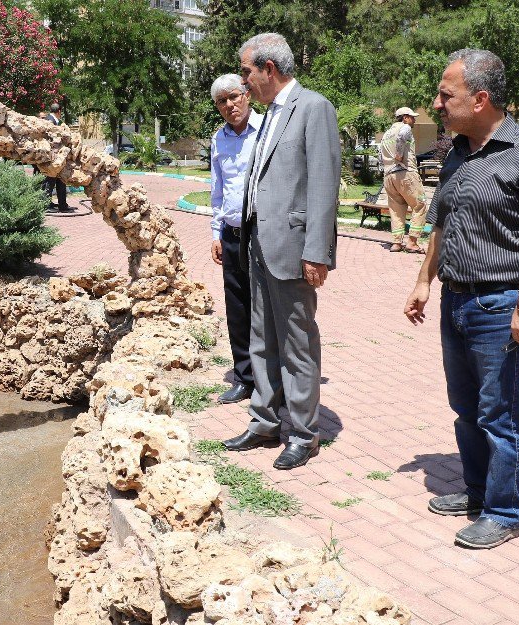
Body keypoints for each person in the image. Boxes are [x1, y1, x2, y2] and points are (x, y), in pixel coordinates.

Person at [403, 49, 519, 549]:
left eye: (446, 96)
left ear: (481, 98)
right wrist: (423, 281)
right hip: (456, 300)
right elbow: (442, 223)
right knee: (465, 406)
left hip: (500, 306)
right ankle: (476, 492)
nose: (438, 104)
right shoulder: (456, 151)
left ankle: (504, 510)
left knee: (500, 413)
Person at [222, 33, 340, 470]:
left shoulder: (313, 108)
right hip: (258, 243)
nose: (243, 79)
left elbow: (325, 185)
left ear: (269, 69)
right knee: (261, 337)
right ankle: (265, 420)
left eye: (247, 70)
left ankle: (304, 433)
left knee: (296, 342)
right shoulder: (270, 113)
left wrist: (317, 252)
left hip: (292, 249)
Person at [209, 74, 263, 404]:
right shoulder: (219, 139)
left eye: (234, 97)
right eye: (222, 102)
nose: (230, 105)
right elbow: (217, 191)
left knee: (267, 309)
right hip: (231, 235)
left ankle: (274, 380)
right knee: (238, 307)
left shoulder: (268, 131)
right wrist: (216, 233)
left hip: (262, 234)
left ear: (247, 95)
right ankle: (244, 376)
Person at [378, 107, 428, 253]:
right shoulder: (405, 127)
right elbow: (401, 137)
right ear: (405, 117)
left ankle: (396, 242)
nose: (414, 120)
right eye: (412, 117)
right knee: (420, 205)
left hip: (389, 177)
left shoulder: (386, 134)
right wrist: (399, 155)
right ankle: (412, 242)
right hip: (405, 173)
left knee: (396, 209)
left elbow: (380, 155)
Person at [43, 103, 69, 211]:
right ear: (59, 111)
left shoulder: (56, 121)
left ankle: (62, 204)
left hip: (59, 157)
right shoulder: (49, 120)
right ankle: (46, 205)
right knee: (49, 181)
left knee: (61, 180)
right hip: (51, 157)